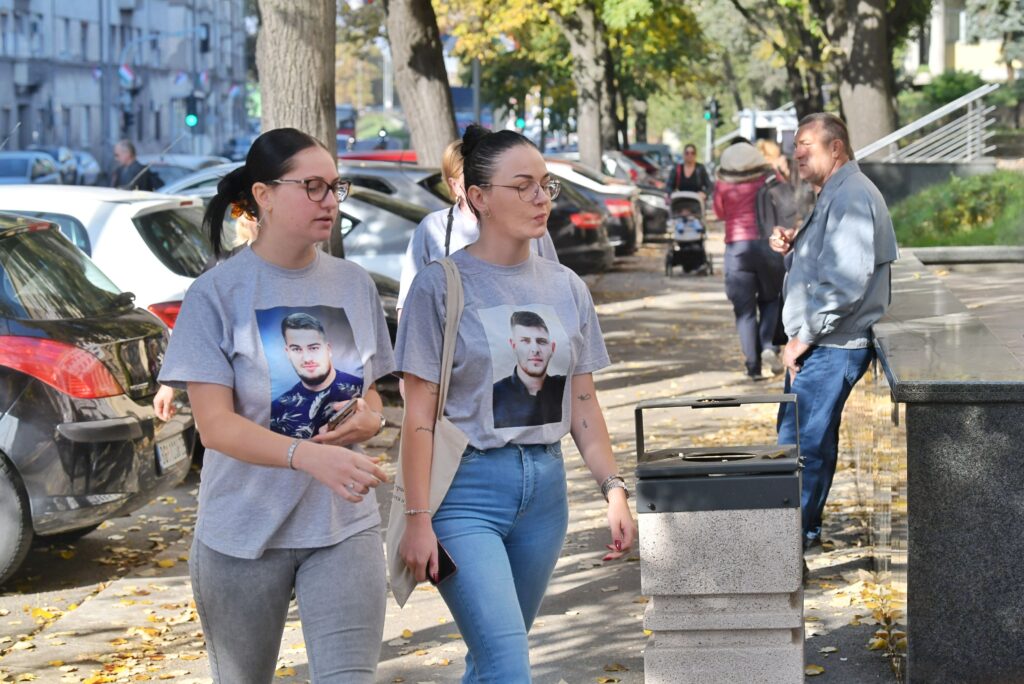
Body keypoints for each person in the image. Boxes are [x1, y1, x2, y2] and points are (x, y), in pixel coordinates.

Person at [395, 124, 636, 682]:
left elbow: (581, 403)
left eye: (546, 185)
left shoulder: (567, 286)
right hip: (464, 496)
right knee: (508, 664)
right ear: (477, 198)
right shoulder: (441, 285)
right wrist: (417, 517)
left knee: (493, 658)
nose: (540, 198)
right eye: (523, 185)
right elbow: (419, 418)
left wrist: (614, 489)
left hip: (545, 497)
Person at [157, 127, 393, 683]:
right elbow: (214, 428)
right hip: (242, 533)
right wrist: (309, 456)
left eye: (337, 187)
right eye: (313, 186)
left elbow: (374, 392)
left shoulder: (353, 284)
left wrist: (373, 416)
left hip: (343, 526)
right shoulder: (217, 294)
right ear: (263, 195)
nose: (331, 201)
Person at [769, 113, 899, 549]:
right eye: (796, 145)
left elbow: (846, 281)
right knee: (809, 445)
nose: (798, 152)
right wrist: (797, 243)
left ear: (837, 147)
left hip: (828, 345)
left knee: (798, 447)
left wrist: (803, 338)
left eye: (807, 143)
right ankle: (800, 535)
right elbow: (835, 260)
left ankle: (786, 549)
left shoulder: (850, 195)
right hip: (824, 343)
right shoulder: (837, 193)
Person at [397, 140, 558, 315]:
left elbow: (554, 286)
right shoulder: (433, 228)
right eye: (523, 187)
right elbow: (408, 307)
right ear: (455, 186)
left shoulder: (531, 227)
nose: (542, 198)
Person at [713, 141, 786, 380]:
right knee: (771, 299)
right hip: (767, 246)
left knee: (744, 311)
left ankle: (752, 367)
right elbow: (785, 199)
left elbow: (719, 212)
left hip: (737, 249)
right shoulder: (768, 176)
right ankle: (768, 345)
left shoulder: (723, 183)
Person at [492, 310, 566, 428]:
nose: (535, 349)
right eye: (525, 341)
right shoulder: (495, 394)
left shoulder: (564, 387)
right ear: (513, 345)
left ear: (552, 348)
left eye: (541, 341)